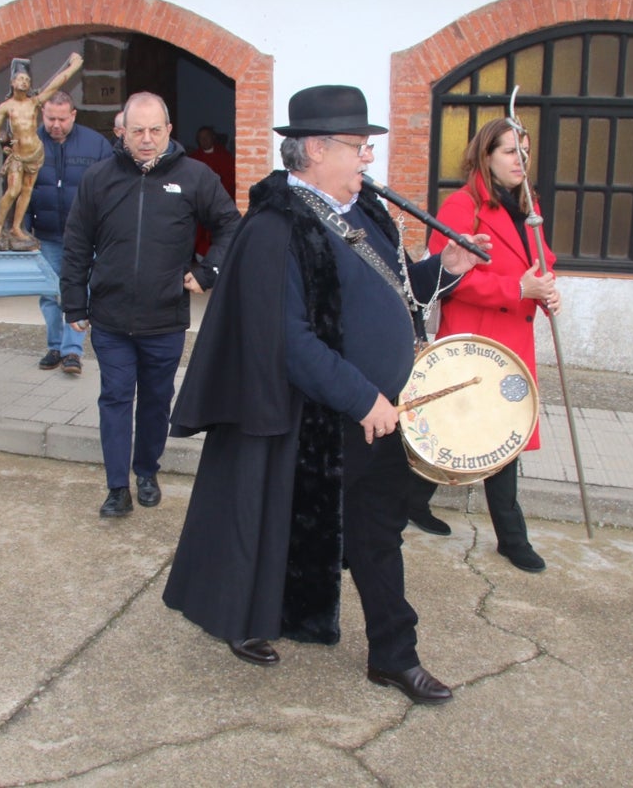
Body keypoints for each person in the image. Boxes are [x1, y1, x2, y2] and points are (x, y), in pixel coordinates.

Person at [162, 85, 490, 705]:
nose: (367, 159)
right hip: (311, 420)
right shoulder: (274, 229)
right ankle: (247, 617)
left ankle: (395, 656)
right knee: (268, 525)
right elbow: (288, 337)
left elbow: (393, 292)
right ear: (314, 149)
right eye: (358, 147)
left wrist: (444, 271)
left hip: (382, 412)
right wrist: (361, 398)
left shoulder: (361, 213)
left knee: (377, 534)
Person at [60, 92, 240, 519]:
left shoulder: (195, 176)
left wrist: (208, 271)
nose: (145, 139)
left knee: (157, 401)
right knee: (116, 397)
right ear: (121, 131)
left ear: (168, 130)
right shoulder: (99, 178)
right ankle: (117, 486)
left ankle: (146, 470)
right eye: (136, 130)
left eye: (154, 130)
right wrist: (74, 304)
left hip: (165, 318)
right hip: (111, 316)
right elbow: (76, 243)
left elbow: (231, 226)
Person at [406, 116, 561, 573]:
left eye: (525, 152)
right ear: (486, 155)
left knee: (494, 433)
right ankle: (512, 538)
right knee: (482, 432)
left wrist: (547, 290)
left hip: (512, 338)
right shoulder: (462, 206)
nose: (522, 160)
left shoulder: (525, 206)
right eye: (512, 151)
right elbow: (448, 278)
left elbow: (541, 262)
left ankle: (410, 503)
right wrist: (519, 289)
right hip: (477, 341)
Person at [26, 90, 113, 375]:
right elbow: (18, 191)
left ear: (73, 115)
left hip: (84, 236)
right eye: (51, 118)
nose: (56, 125)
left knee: (79, 290)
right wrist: (23, 230)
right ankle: (54, 346)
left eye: (62, 119)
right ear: (43, 115)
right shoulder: (30, 143)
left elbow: (109, 188)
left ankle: (73, 351)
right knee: (50, 293)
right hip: (46, 233)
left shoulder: (95, 144)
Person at [0, 54, 83, 251]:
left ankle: (16, 228)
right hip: (18, 155)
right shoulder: (7, 107)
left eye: (27, 80)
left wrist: (74, 66)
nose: (24, 82)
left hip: (35, 152)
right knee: (12, 191)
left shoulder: (35, 102)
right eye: (20, 78)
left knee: (27, 191)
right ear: (12, 82)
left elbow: (55, 85)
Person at [188, 125, 236, 258]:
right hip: (199, 203)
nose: (204, 140)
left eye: (206, 137)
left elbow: (231, 181)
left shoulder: (225, 156)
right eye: (201, 138)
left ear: (213, 138)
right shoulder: (194, 158)